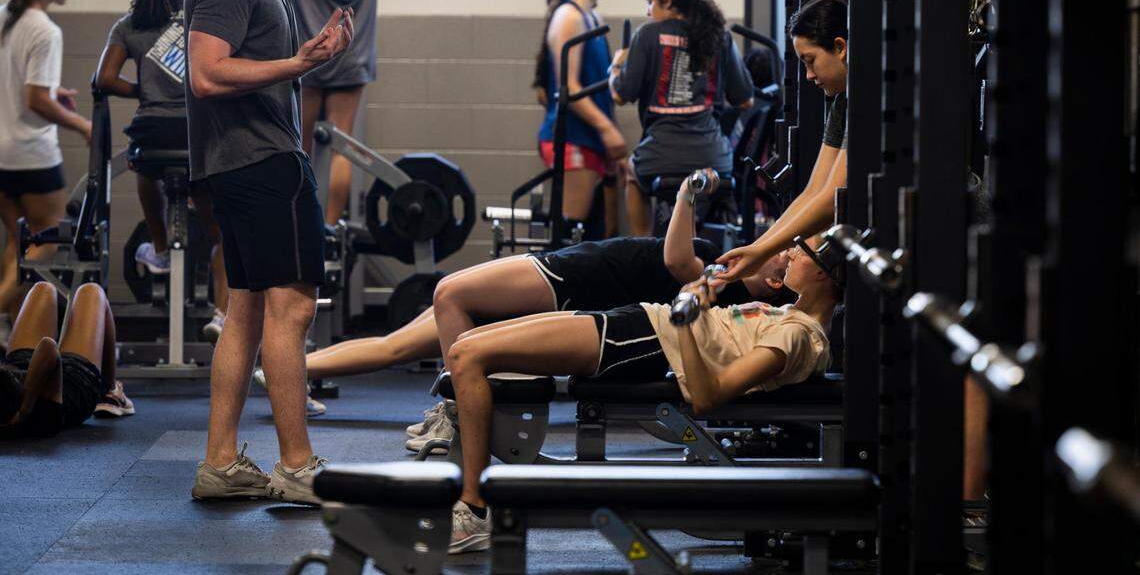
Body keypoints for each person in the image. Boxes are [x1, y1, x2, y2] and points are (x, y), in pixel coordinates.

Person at [254, 172, 795, 441]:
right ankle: (281, 372)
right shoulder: (735, 266)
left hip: (567, 281)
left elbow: (677, 260)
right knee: (398, 344)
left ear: (773, 288)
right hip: (566, 283)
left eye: (787, 260)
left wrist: (685, 193)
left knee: (449, 292)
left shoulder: (727, 284)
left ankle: (451, 413)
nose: (781, 252)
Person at [443, 232, 841, 553]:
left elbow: (707, 397)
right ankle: (474, 481)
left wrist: (688, 317)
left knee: (465, 355)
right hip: (644, 323)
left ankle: (475, 507)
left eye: (801, 250)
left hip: (646, 341)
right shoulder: (792, 317)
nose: (790, 253)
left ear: (823, 274)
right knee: (468, 344)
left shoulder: (797, 336)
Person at [184, 0, 354, 505]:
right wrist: (294, 63)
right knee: (293, 309)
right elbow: (206, 73)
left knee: (247, 314)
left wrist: (308, 60)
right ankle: (297, 464)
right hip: (260, 164)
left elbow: (248, 69)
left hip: (246, 161)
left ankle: (221, 463)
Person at [93, 0, 230, 338]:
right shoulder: (205, 17)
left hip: (153, 134)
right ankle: (222, 314)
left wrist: (144, 93)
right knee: (220, 230)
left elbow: (104, 79)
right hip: (198, 133)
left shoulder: (131, 22)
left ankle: (157, 246)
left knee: (143, 160)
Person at [275, 0, 420, 226]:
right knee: (341, 148)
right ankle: (329, 227)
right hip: (350, 62)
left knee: (299, 146)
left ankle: (299, 222)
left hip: (310, 62)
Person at [610, 0, 754, 236]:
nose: (648, 11)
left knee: (630, 172)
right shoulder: (720, 37)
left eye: (650, 2)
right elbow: (745, 100)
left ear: (667, 0)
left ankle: (644, 250)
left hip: (660, 155)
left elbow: (620, 94)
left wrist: (616, 67)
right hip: (714, 158)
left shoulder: (647, 35)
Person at [714, 0, 849, 281]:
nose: (809, 75)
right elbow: (814, 191)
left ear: (840, 47)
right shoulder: (842, 103)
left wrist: (762, 254)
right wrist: (755, 249)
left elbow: (830, 200)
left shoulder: (865, 98)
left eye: (810, 61)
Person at [0, 0, 92, 325]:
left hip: (2, 152)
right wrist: (82, 125)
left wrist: (55, 95)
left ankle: (13, 333)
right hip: (31, 155)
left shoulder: (6, 15)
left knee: (17, 242)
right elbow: (35, 99)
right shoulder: (45, 30)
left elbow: (18, 85)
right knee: (47, 242)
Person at [536, 0, 625, 228]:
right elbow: (570, 87)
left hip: (589, 138)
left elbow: (598, 82)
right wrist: (608, 129)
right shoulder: (569, 17)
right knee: (570, 235)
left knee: (591, 231)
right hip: (571, 136)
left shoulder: (592, 17)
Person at [1, 282, 135, 440]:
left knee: (43, 289)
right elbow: (48, 348)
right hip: (75, 381)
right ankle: (111, 392)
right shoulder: (37, 420)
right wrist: (24, 409)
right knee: (91, 292)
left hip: (21, 366)